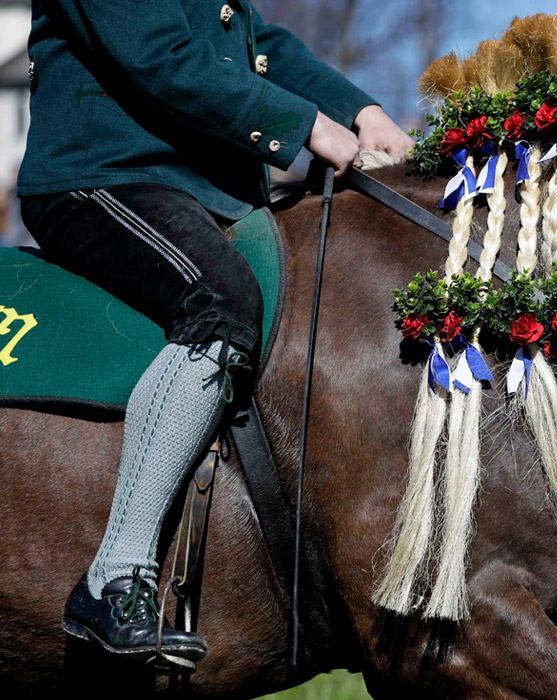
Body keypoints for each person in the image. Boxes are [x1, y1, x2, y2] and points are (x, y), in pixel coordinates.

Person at [17, 0, 412, 668]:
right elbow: (160, 56)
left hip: (196, 189)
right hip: (105, 175)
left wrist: (358, 109)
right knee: (222, 301)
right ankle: (114, 579)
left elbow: (251, 42)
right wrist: (307, 126)